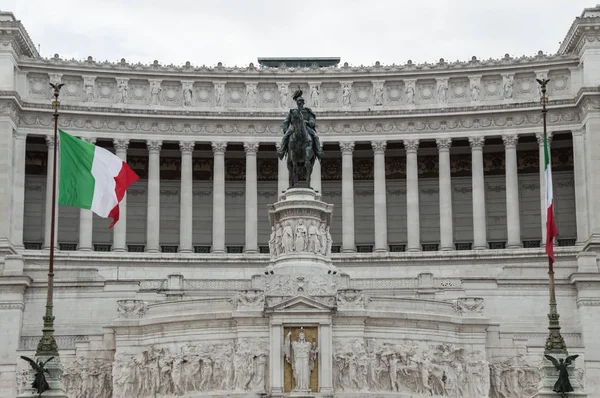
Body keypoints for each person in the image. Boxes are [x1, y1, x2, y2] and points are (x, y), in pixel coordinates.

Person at [278, 89, 324, 161]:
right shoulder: (293, 112)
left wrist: (308, 122)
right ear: (297, 103)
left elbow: (312, 120)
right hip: (294, 128)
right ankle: (282, 151)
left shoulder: (307, 111)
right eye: (299, 101)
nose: (300, 103)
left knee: (315, 137)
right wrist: (286, 129)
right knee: (285, 136)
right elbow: (286, 121)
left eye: (302, 102)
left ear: (303, 103)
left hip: (306, 128)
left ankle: (318, 152)